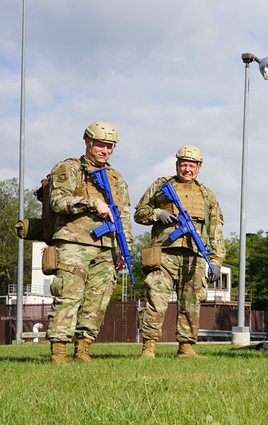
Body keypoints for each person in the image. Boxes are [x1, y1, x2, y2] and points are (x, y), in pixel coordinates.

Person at [45, 122, 134, 365]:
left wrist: (125, 248)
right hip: (74, 242)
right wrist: (91, 203)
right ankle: (59, 353)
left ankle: (83, 350)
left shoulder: (116, 178)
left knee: (98, 300)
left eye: (110, 147)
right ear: (88, 142)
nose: (105, 151)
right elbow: (57, 202)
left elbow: (123, 214)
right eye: (101, 145)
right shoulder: (69, 168)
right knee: (68, 296)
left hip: (107, 246)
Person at [133, 146, 225, 358]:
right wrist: (158, 213)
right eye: (183, 165)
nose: (187, 169)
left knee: (191, 303)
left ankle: (186, 347)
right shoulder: (161, 185)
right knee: (155, 299)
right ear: (177, 165)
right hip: (163, 253)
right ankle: (149, 347)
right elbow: (139, 213)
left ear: (199, 168)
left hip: (194, 256)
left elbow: (216, 229)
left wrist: (217, 259)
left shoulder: (206, 195)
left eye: (192, 166)